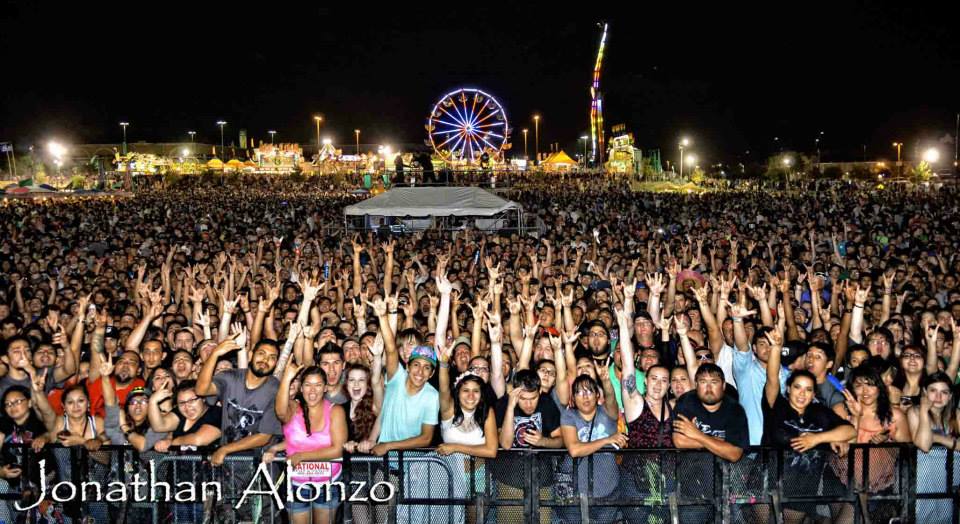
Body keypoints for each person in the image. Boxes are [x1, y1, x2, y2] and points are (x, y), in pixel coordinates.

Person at [762, 327, 855, 523]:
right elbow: (772, 379)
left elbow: (849, 430)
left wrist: (818, 438)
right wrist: (776, 348)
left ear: (814, 394)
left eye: (808, 390)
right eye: (797, 387)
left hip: (802, 491)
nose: (802, 394)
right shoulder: (776, 406)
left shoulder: (819, 413)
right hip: (767, 485)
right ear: (788, 389)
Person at [265, 364, 346, 524]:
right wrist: (287, 378)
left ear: (325, 388)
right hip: (296, 482)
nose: (312, 390)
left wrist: (302, 456)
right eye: (308, 385)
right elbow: (281, 412)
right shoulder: (294, 408)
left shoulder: (335, 411)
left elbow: (337, 450)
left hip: (327, 482)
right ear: (301, 388)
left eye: (318, 385)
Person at [673, 363, 749, 522]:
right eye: (703, 382)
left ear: (723, 385)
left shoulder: (735, 410)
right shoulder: (687, 402)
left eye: (713, 382)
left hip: (728, 486)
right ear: (696, 384)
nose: (708, 388)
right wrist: (720, 443)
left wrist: (697, 435)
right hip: (692, 483)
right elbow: (679, 441)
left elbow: (734, 454)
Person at [436, 338, 497, 524]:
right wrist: (444, 363)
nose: (471, 395)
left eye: (476, 391)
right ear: (458, 392)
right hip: (448, 475)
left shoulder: (487, 412)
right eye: (466, 391)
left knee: (474, 521)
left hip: (478, 477)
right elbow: (443, 388)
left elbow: (491, 450)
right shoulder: (448, 410)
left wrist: (455, 447)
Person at [558, 373, 626, 524]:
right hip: (575, 491)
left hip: (608, 488)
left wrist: (606, 381)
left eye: (589, 391)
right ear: (573, 398)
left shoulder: (608, 412)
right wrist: (607, 440)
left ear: (597, 395)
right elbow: (574, 450)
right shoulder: (569, 415)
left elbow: (611, 398)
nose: (585, 396)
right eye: (579, 392)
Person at [907, 372, 960, 523]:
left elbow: (928, 441)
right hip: (925, 476)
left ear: (950, 396)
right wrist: (924, 411)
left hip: (951, 472)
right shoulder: (915, 411)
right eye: (933, 391)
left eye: (944, 392)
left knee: (947, 516)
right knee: (923, 516)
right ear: (924, 392)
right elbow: (924, 445)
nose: (938, 397)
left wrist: (937, 438)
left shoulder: (956, 415)